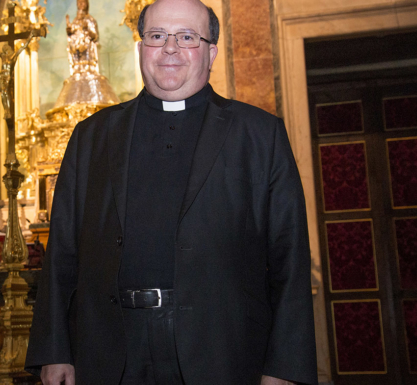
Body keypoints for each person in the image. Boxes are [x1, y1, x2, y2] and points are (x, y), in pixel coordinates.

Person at [25, 0, 317, 383]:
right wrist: (54, 351)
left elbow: (289, 260)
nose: (170, 48)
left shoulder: (259, 135)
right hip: (109, 351)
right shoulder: (92, 136)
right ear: (141, 47)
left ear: (211, 52)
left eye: (187, 37)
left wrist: (284, 369)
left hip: (222, 350)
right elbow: (62, 251)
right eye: (157, 36)